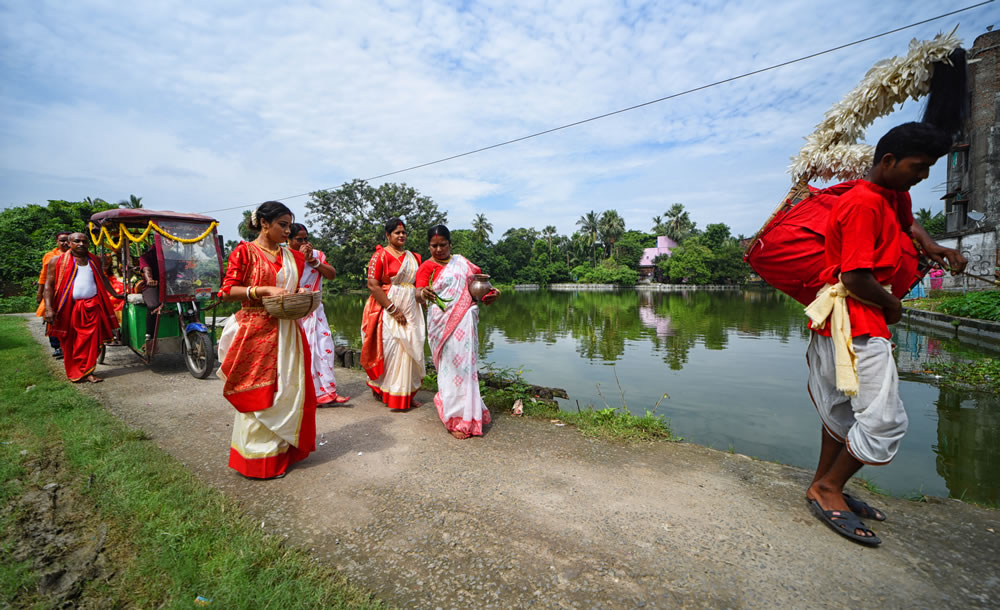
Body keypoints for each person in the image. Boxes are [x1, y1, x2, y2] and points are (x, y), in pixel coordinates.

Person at [803, 122, 967, 546]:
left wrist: (934, 247)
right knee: (884, 422)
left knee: (840, 410)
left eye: (930, 167)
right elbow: (855, 275)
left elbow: (909, 225)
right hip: (856, 318)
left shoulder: (893, 196)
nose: (924, 175)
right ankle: (828, 489)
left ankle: (824, 482)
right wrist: (893, 305)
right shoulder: (862, 204)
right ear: (889, 161)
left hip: (841, 319)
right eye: (919, 166)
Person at [217, 201, 317, 479]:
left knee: (287, 390)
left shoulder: (289, 255)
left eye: (289, 225)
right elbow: (227, 291)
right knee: (259, 392)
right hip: (256, 331)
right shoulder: (244, 252)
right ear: (263, 223)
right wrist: (262, 290)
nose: (288, 231)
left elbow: (292, 288)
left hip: (286, 331)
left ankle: (280, 451)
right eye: (282, 225)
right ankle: (255, 459)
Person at [416, 225, 499, 438]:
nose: (438, 249)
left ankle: (470, 415)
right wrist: (422, 292)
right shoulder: (426, 267)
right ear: (429, 246)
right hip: (441, 324)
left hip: (464, 323)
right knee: (449, 369)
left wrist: (492, 293)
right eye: (434, 245)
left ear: (450, 244)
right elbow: (418, 293)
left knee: (465, 369)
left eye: (443, 245)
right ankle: (454, 418)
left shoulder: (462, 264)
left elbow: (480, 287)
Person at [360, 218, 425, 410]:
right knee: (391, 349)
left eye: (404, 232)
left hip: (411, 309)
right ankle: (386, 391)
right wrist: (393, 309)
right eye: (397, 232)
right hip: (388, 309)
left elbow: (417, 285)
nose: (402, 235)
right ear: (388, 235)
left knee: (411, 348)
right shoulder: (379, 255)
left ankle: (407, 393)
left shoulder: (414, 257)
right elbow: (373, 285)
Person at [43, 233, 121, 383]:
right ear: (69, 243)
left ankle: (89, 371)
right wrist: (48, 308)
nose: (81, 244)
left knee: (91, 341)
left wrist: (115, 295)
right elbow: (49, 285)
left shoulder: (95, 260)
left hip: (92, 306)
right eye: (77, 241)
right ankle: (75, 370)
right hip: (68, 308)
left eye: (84, 241)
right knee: (72, 341)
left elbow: (102, 279)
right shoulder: (57, 261)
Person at [289, 222, 350, 405]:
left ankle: (327, 392)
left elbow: (331, 274)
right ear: (288, 240)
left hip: (315, 311)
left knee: (324, 350)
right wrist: (300, 259)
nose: (304, 242)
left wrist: (313, 262)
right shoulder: (284, 257)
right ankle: (301, 395)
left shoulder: (317, 255)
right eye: (299, 239)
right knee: (299, 353)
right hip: (294, 312)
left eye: (306, 238)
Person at [36, 231, 71, 359]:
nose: (65, 243)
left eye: (68, 240)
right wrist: (40, 293)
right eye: (62, 240)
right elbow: (43, 276)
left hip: (71, 292)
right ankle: (57, 347)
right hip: (53, 292)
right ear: (57, 242)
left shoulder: (77, 255)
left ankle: (69, 346)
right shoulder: (50, 256)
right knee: (52, 319)